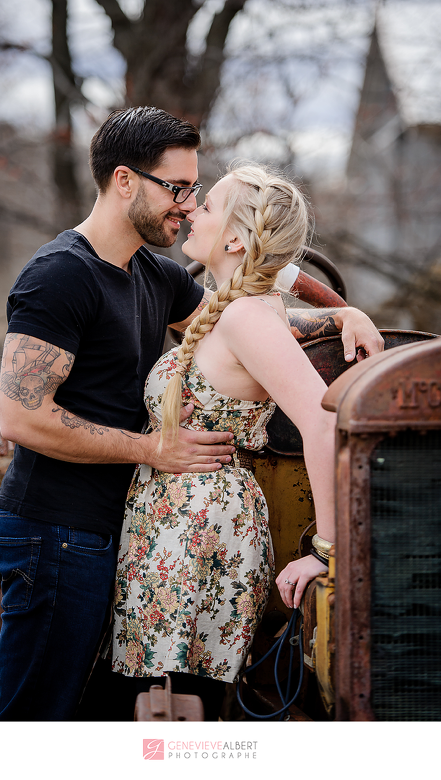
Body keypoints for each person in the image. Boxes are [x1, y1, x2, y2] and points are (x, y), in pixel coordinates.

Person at [0, 106, 383, 722]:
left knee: (106, 723)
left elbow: (248, 300)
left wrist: (342, 312)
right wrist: (151, 449)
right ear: (125, 181)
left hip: (131, 533)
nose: (187, 204)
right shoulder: (60, 276)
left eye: (196, 192)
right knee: (36, 722)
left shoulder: (154, 274)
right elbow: (18, 418)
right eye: (177, 188)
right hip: (57, 532)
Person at [110, 162, 351, 720]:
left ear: (237, 239)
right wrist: (343, 313)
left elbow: (322, 422)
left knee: (173, 708)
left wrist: (326, 553)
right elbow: (270, 278)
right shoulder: (237, 310)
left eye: (209, 205)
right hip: (174, 530)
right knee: (159, 706)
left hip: (200, 534)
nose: (192, 210)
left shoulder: (246, 317)